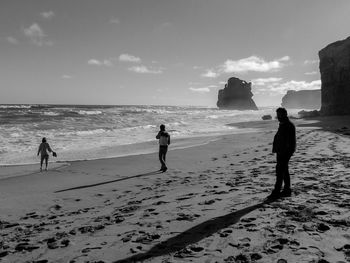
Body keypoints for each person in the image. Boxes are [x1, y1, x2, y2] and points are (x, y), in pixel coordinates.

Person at [267, 107, 296, 200]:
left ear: (285, 114)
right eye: (278, 115)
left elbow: (290, 141)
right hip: (281, 151)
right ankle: (287, 189)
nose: (278, 117)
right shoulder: (283, 124)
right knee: (284, 170)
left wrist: (286, 152)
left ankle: (276, 191)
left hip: (284, 152)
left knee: (280, 171)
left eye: (280, 115)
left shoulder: (288, 125)